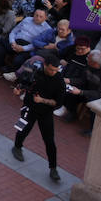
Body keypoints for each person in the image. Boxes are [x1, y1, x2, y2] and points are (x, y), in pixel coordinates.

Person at [12, 52, 66, 183]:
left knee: (49, 141)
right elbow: (21, 82)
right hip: (28, 108)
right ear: (45, 65)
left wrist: (42, 100)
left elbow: (58, 103)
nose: (54, 72)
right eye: (51, 69)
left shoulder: (59, 81)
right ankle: (17, 146)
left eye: (56, 70)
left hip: (45, 113)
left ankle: (53, 168)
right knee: (22, 128)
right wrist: (18, 90)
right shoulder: (33, 70)